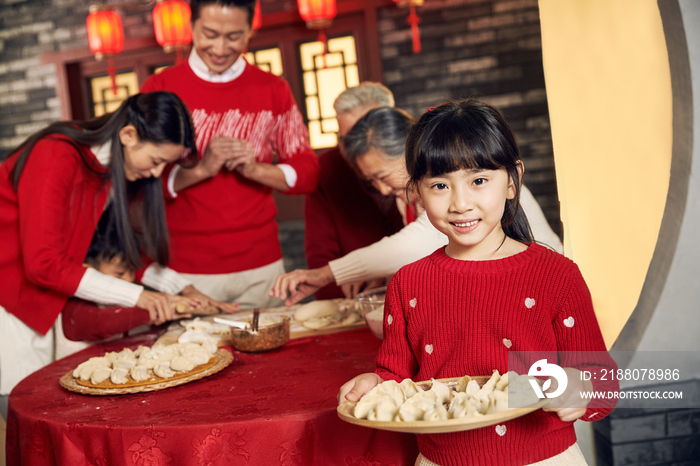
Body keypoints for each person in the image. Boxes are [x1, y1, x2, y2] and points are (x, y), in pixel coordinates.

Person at [337, 99, 614, 466]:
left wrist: (579, 388)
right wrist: (375, 385)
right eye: (439, 186)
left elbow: (603, 381)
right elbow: (397, 378)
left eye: (479, 180)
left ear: (512, 181)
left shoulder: (556, 275)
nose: (460, 203)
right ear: (416, 192)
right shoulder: (408, 283)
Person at [0, 92, 229, 419]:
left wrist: (180, 288)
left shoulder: (106, 170)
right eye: (155, 161)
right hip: (9, 304)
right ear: (128, 135)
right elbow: (43, 264)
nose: (156, 174)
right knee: (26, 416)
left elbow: (116, 246)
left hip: (41, 302)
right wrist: (140, 298)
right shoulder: (56, 154)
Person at [270, 107, 564, 306]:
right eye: (373, 182)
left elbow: (415, 242)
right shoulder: (417, 195)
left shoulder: (465, 187)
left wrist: (324, 274)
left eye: (383, 176)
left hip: (539, 294)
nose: (384, 189)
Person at [140, 0, 320, 309]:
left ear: (250, 31)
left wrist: (255, 170)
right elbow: (136, 178)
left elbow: (307, 172)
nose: (221, 48)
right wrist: (201, 169)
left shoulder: (273, 88)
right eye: (210, 33)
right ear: (191, 27)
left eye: (234, 36)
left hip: (262, 267)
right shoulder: (160, 88)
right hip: (186, 271)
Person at [57, 205, 240, 352]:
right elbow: (102, 323)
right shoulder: (77, 308)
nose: (129, 279)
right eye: (120, 273)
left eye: (132, 271)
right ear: (88, 272)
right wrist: (154, 311)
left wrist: (192, 301)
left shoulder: (138, 286)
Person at [305, 82, 403, 299]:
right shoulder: (326, 170)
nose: (354, 151)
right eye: (345, 140)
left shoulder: (420, 163)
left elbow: (425, 241)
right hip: (356, 300)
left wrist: (383, 272)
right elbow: (320, 258)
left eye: (365, 135)